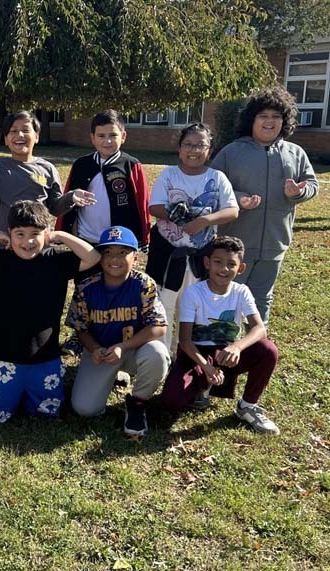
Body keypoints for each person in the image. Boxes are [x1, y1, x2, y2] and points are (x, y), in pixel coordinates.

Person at [0, 200, 100, 424]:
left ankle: (26, 389)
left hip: (44, 356)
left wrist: (60, 235)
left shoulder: (55, 260)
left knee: (46, 413)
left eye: (35, 234)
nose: (28, 241)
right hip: (3, 356)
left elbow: (93, 257)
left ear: (46, 233)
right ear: (9, 233)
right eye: (20, 234)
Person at [211, 87, 319, 324]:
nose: (269, 121)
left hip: (275, 243)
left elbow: (312, 183)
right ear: (252, 119)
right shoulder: (232, 152)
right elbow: (213, 187)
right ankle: (223, 342)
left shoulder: (295, 153)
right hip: (235, 244)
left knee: (261, 300)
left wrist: (299, 192)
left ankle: (256, 343)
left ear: (285, 121)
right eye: (263, 116)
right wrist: (238, 198)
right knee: (227, 297)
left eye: (276, 116)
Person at [160, 236, 281, 434]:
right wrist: (206, 367)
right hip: (196, 354)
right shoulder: (193, 292)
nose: (224, 269)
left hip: (226, 354)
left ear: (240, 268)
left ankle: (247, 406)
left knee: (268, 349)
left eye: (231, 264)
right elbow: (185, 340)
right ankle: (202, 385)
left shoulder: (241, 292)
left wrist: (236, 347)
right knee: (171, 402)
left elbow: (260, 329)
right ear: (207, 263)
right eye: (218, 262)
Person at [66, 226, 169, 437]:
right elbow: (81, 328)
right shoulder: (86, 287)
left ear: (135, 257)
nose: (115, 258)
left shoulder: (143, 284)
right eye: (108, 252)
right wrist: (94, 348)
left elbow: (159, 326)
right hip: (102, 353)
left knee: (157, 354)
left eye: (123, 252)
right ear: (100, 257)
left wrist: (123, 346)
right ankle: (114, 375)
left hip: (134, 349)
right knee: (85, 409)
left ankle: (137, 403)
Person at [146, 123, 239, 350]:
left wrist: (204, 220)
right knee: (164, 303)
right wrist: (177, 215)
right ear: (179, 149)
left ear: (210, 150)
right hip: (168, 254)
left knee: (190, 307)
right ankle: (161, 354)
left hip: (199, 255)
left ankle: (185, 353)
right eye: (188, 144)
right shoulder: (169, 174)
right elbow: (154, 206)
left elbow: (232, 210)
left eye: (200, 145)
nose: (193, 150)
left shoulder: (217, 177)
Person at [55, 110, 151, 250]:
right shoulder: (81, 165)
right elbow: (69, 198)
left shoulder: (132, 165)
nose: (107, 141)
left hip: (119, 240)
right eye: (101, 136)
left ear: (123, 136)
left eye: (113, 135)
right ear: (92, 138)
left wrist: (143, 237)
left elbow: (143, 203)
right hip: (85, 238)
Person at [0, 110, 79, 234]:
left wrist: (71, 197)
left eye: (25, 130)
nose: (20, 135)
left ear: (37, 136)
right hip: (4, 241)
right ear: (6, 139)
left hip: (37, 240)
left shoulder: (48, 169)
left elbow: (55, 208)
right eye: (13, 131)